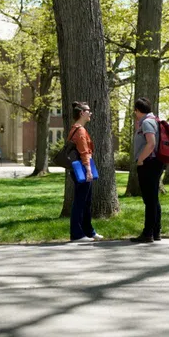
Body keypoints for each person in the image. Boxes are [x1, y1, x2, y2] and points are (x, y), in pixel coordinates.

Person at [131, 97, 164, 243]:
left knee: (149, 200)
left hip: (149, 163)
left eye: (135, 111)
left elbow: (151, 144)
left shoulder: (147, 122)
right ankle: (156, 231)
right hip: (153, 163)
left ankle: (148, 233)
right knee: (153, 199)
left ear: (137, 110)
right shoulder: (152, 120)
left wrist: (140, 160)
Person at [68, 101, 102, 242]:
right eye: (88, 111)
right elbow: (84, 152)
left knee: (86, 202)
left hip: (79, 169)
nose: (91, 113)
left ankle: (89, 232)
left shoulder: (76, 128)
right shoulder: (80, 130)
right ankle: (77, 234)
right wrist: (89, 171)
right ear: (82, 113)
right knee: (80, 202)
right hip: (82, 169)